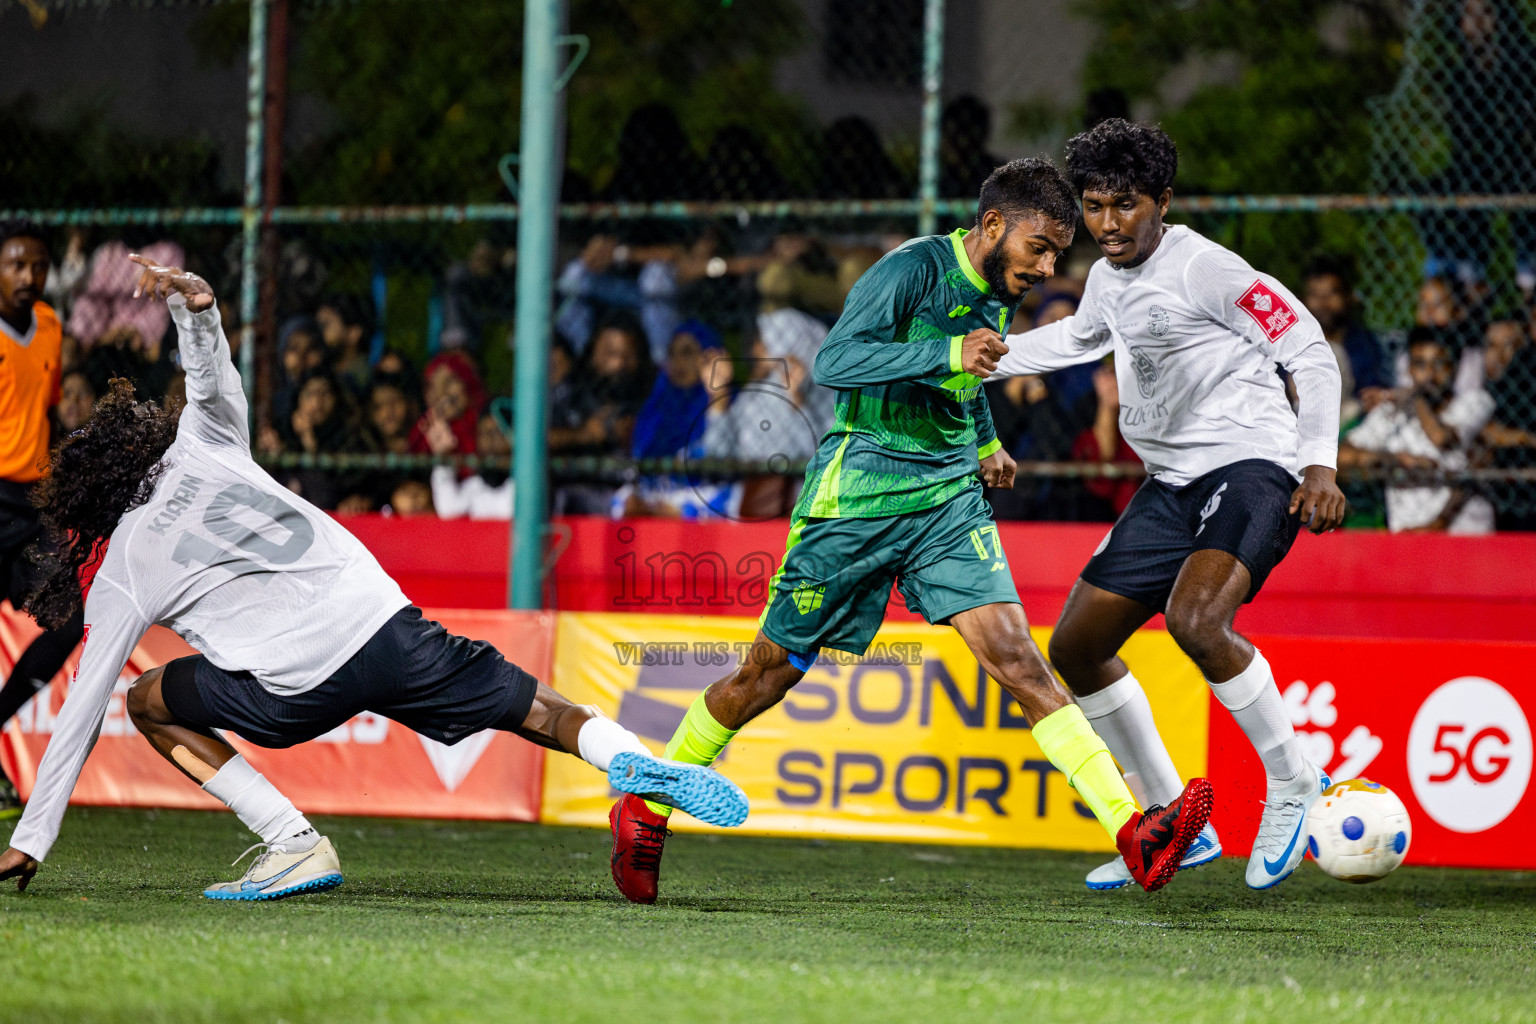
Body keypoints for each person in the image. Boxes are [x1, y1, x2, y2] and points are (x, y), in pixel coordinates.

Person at [0, 255, 747, 898]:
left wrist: (32, 838)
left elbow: (83, 706)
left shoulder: (123, 566)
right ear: (139, 441)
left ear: (87, 502)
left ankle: (291, 840)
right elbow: (207, 377)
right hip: (384, 622)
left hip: (296, 689)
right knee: (539, 709)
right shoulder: (203, 439)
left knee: (147, 700)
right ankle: (631, 759)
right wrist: (196, 308)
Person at [608, 159, 1214, 905]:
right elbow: (836, 361)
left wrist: (984, 439)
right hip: (857, 500)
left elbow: (968, 374)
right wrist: (949, 353)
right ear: (993, 225)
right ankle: (648, 806)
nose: (1048, 268)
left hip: (948, 503)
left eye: (1059, 254)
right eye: (1040, 248)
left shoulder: (998, 287)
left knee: (1020, 661)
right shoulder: (911, 269)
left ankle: (1132, 831)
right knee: (766, 674)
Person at [988, 120, 1346, 891]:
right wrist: (982, 359)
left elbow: (1308, 349)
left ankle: (1293, 780)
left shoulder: (1207, 269)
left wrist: (1319, 464)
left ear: (1164, 201)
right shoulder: (1107, 277)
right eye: (1094, 205)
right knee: (1076, 647)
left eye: (1125, 204)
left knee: (1196, 621)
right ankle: (1174, 820)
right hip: (1171, 484)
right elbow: (1079, 339)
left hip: (1252, 467)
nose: (1108, 223)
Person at [0, 221, 86, 772]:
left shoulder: (50, 325)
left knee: (70, 619)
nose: (28, 276)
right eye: (15, 265)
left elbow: (47, 411)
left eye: (38, 266)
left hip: (32, 505)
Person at [1338, 329, 1495, 533]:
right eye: (1420, 365)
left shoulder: (1473, 402)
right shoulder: (1391, 413)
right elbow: (1342, 457)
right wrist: (1396, 460)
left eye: (1439, 364)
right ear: (1409, 369)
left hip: (1464, 530)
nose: (1429, 374)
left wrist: (1414, 396)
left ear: (1454, 368)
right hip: (1407, 533)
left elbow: (1440, 437)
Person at [1299, 255, 1389, 425]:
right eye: (1315, 295)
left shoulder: (1363, 344)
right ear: (1302, 300)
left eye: (1331, 294)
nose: (1323, 303)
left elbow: (1371, 389)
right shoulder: (1291, 342)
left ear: (1348, 297)